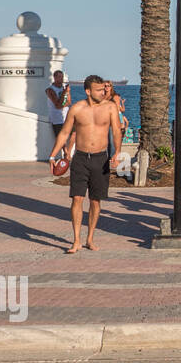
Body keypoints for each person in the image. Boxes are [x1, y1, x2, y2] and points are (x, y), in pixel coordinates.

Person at [48, 74, 121, 253]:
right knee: (77, 199)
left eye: (104, 89)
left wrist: (117, 152)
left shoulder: (110, 107)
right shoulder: (77, 108)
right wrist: (52, 156)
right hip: (80, 158)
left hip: (101, 159)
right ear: (88, 91)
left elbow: (117, 131)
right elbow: (65, 133)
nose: (103, 92)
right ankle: (76, 240)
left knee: (95, 201)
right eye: (99, 90)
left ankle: (90, 238)